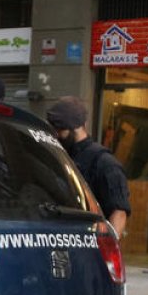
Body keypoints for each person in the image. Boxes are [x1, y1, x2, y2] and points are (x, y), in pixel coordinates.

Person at [46, 96, 130, 237]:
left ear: (74, 128)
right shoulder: (63, 155)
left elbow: (119, 211)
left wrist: (108, 248)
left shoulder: (104, 163)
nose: (57, 135)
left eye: (60, 130)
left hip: (88, 242)